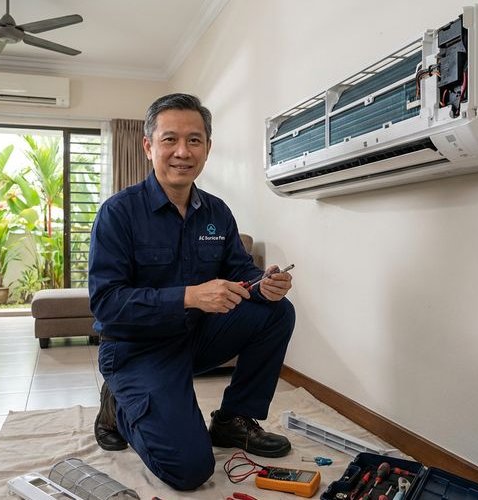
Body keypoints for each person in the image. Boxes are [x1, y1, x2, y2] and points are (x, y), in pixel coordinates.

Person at [88, 93, 296, 491]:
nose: (182, 152)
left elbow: (240, 273)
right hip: (136, 350)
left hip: (195, 338)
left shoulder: (217, 212)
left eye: (194, 140)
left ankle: (233, 419)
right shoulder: (118, 213)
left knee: (277, 311)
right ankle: (118, 406)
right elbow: (106, 303)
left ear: (207, 148)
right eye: (170, 139)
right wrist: (189, 296)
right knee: (190, 470)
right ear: (148, 146)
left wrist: (264, 284)